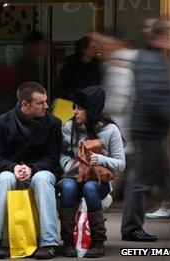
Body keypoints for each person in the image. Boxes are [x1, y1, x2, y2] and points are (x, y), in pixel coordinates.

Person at [0, 82, 62, 259]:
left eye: (46, 101)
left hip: (41, 170)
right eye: (41, 103)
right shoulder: (1, 122)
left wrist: (32, 169)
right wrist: (14, 167)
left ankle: (49, 243)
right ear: (25, 104)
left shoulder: (53, 123)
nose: (46, 106)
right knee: (3, 179)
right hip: (11, 170)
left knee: (42, 179)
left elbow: (52, 159)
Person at [121, 19, 170, 242]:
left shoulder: (151, 56)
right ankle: (132, 228)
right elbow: (152, 96)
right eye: (169, 36)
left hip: (148, 129)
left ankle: (168, 204)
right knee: (141, 180)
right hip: (148, 131)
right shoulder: (152, 58)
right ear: (160, 37)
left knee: (161, 174)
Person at [59, 86, 126, 258]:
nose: (74, 112)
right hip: (74, 177)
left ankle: (98, 241)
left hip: (98, 182)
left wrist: (100, 159)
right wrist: (69, 167)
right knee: (66, 186)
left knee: (90, 188)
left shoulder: (111, 130)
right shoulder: (69, 127)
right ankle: (67, 242)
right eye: (74, 107)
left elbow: (120, 164)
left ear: (92, 110)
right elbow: (61, 155)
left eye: (80, 108)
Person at [54, 35, 103, 100]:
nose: (97, 49)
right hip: (72, 102)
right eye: (93, 47)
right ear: (84, 50)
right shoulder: (71, 64)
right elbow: (61, 87)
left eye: (97, 46)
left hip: (91, 102)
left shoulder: (97, 64)